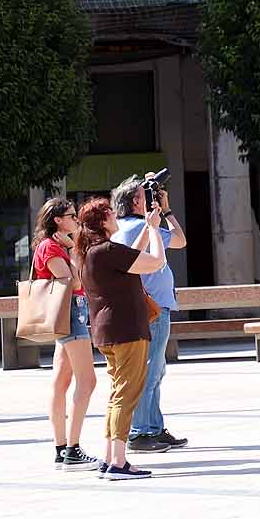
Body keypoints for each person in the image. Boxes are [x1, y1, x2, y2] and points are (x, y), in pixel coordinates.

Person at [74, 196, 167, 480]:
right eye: (111, 214)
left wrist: (147, 228)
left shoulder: (91, 252)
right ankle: (119, 462)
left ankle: (111, 458)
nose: (116, 217)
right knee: (127, 395)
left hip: (107, 331)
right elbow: (155, 262)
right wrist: (154, 231)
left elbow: (131, 258)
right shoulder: (107, 250)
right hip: (127, 330)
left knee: (117, 394)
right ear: (103, 221)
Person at [111, 173, 188, 455]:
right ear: (135, 202)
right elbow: (180, 240)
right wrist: (164, 212)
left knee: (155, 370)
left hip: (152, 307)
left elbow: (178, 242)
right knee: (150, 371)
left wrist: (160, 211)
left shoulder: (127, 226)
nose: (151, 200)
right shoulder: (135, 227)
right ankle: (141, 432)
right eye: (147, 196)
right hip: (152, 309)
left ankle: (153, 427)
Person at [32, 197, 99, 472]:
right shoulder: (51, 247)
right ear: (57, 220)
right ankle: (72, 448)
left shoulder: (51, 246)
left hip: (71, 314)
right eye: (71, 215)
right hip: (71, 314)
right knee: (88, 381)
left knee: (61, 382)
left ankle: (63, 448)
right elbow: (73, 283)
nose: (76, 220)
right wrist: (73, 252)